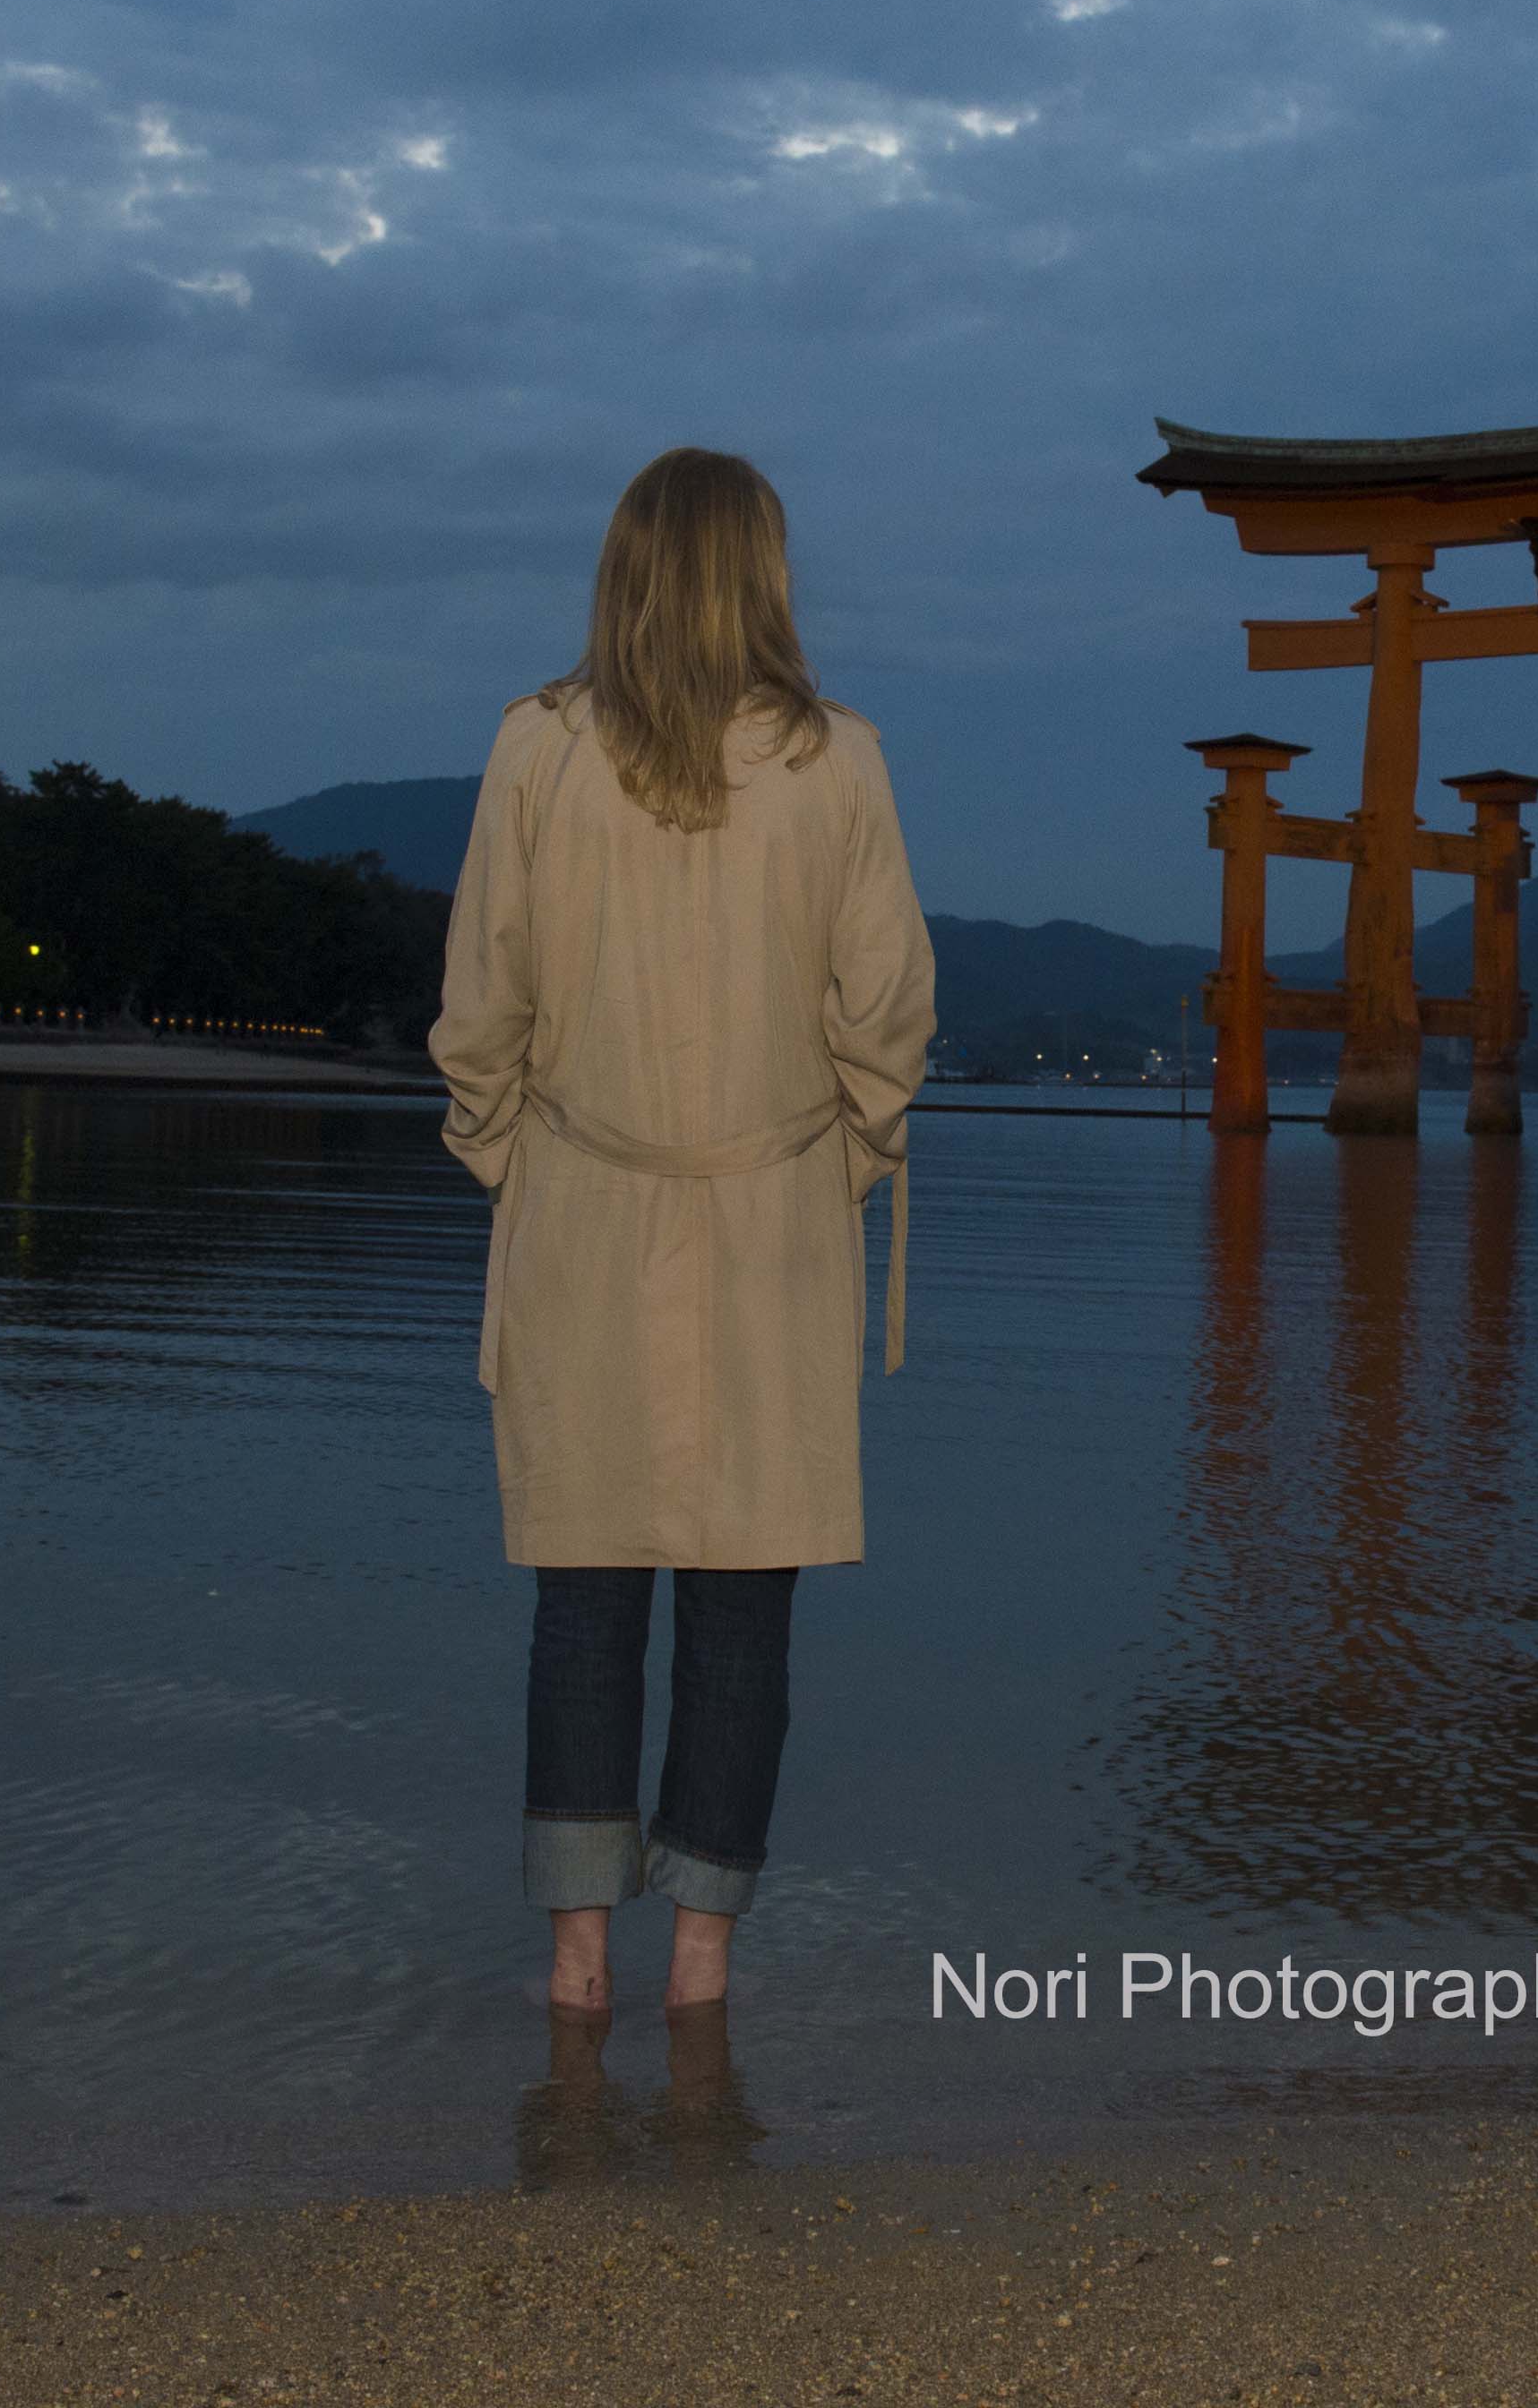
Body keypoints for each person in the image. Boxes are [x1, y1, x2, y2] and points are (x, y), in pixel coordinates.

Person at [431, 446, 935, 2014]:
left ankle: (576, 1966)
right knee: (741, 1607)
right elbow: (892, 1020)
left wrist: (515, 1159)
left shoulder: (535, 751)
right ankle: (700, 1966)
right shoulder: (838, 762)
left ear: (625, 566)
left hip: (583, 1205)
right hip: (773, 1219)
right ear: (762, 572)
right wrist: (827, 1168)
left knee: (581, 1597)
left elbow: (478, 1012)